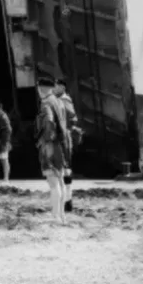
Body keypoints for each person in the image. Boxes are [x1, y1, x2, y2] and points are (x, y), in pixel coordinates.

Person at [35, 78, 69, 224]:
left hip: (49, 144)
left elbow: (49, 121)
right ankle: (61, 214)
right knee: (60, 181)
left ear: (41, 89)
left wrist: (45, 139)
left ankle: (55, 216)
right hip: (59, 145)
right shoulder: (59, 101)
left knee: (53, 183)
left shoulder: (46, 103)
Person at [55, 79, 78, 212]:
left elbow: (73, 118)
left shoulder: (65, 100)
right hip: (59, 136)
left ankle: (67, 200)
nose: (54, 89)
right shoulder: (57, 100)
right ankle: (65, 200)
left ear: (62, 87)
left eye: (56, 86)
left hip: (63, 136)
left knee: (65, 167)